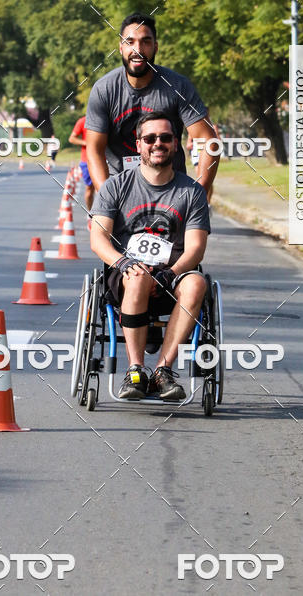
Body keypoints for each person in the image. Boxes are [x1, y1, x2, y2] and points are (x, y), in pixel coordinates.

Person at [90, 111, 210, 401]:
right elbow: (98, 238)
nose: (158, 143)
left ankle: (163, 371)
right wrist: (124, 262)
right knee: (139, 276)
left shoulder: (191, 191)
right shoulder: (116, 187)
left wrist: (169, 274)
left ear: (176, 144)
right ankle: (135, 370)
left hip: (174, 272)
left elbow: (195, 246)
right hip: (127, 273)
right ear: (139, 144)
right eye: (150, 138)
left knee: (197, 284)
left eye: (165, 138)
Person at [85, 12, 219, 194]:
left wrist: (199, 194)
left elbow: (208, 141)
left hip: (172, 194)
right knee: (99, 223)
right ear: (120, 48)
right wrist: (106, 198)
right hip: (120, 192)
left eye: (145, 42)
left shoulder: (178, 86)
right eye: (130, 42)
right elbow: (94, 149)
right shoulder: (104, 89)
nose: (137, 49)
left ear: (155, 47)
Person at [186, 121, 221, 207]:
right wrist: (191, 144)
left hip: (208, 153)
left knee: (208, 179)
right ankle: (203, 202)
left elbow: (218, 140)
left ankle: (208, 202)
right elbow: (188, 144)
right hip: (197, 154)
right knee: (200, 177)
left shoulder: (213, 126)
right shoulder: (193, 125)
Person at [68, 115, 94, 219]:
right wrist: (86, 143)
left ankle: (102, 214)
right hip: (87, 160)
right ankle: (90, 212)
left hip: (105, 158)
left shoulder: (105, 118)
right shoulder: (83, 121)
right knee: (89, 189)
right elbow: (72, 138)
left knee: (103, 189)